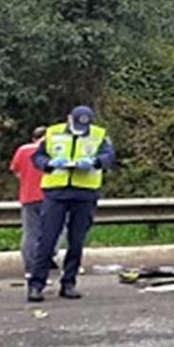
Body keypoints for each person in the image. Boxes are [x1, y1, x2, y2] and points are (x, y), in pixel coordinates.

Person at [27, 106, 116, 302]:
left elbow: (109, 157)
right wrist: (49, 164)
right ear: (69, 119)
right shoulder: (53, 132)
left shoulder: (99, 135)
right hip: (56, 192)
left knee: (76, 242)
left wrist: (94, 162)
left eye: (84, 126)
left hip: (84, 192)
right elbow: (37, 157)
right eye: (77, 124)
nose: (80, 129)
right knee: (47, 240)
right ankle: (36, 285)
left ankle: (69, 283)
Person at [10, 127, 49, 278]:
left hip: (28, 197)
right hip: (49, 197)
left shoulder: (23, 150)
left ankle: (30, 267)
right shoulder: (51, 150)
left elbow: (16, 170)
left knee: (30, 233)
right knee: (51, 232)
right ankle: (45, 261)